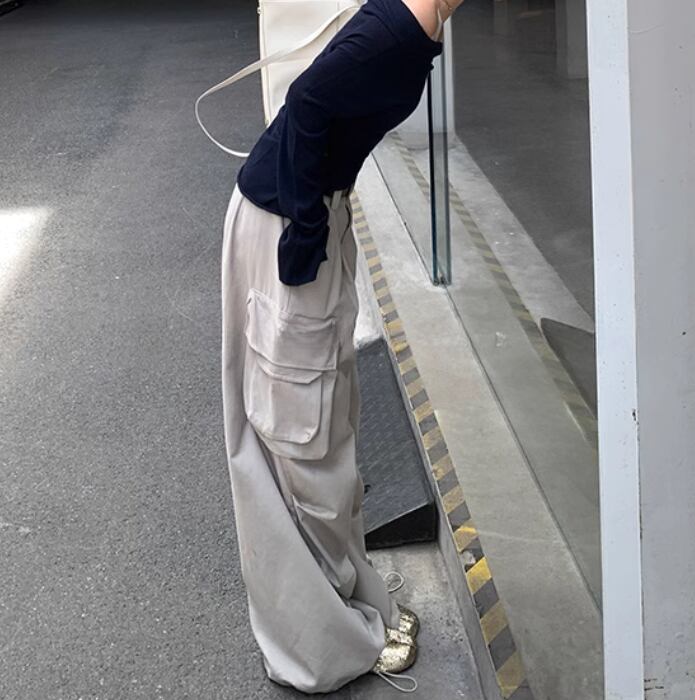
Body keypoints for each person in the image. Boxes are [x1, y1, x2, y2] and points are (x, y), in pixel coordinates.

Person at [220, 0, 461, 693]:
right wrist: (305, 231)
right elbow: (308, 101)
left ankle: (349, 601)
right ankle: (325, 641)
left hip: (307, 215)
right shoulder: (395, 27)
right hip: (289, 226)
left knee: (325, 420)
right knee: (304, 438)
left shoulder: (417, 23)